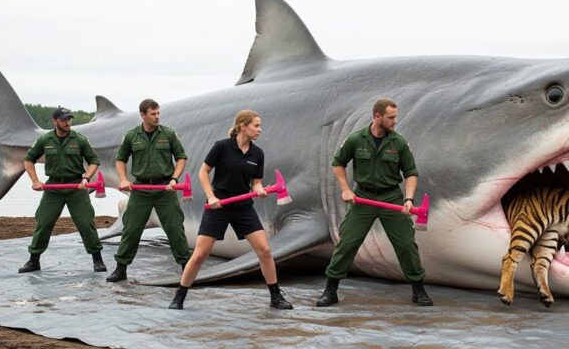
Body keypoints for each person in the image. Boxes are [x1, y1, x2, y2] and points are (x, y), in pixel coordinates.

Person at [168, 110, 292, 310]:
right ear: (243, 126)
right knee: (200, 254)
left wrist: (260, 191)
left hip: (243, 207)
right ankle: (180, 295)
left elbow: (256, 183)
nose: (260, 130)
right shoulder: (222, 147)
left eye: (260, 126)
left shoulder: (257, 153)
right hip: (219, 205)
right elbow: (203, 172)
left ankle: (276, 296)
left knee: (265, 250)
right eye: (256, 125)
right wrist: (211, 196)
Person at [316, 98, 433, 307]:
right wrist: (345, 189)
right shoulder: (356, 139)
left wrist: (408, 198)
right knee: (347, 242)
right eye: (391, 117)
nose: (395, 121)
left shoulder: (398, 142)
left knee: (406, 244)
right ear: (377, 116)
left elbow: (411, 172)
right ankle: (330, 290)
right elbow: (338, 163)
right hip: (364, 198)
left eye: (396, 117)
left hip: (391, 197)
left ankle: (418, 290)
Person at [107, 99, 191, 282]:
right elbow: (120, 159)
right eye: (153, 114)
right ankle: (121, 268)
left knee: (175, 227)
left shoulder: (168, 134)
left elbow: (181, 157)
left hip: (164, 189)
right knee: (131, 229)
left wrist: (174, 179)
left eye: (158, 113)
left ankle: (186, 267)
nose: (157, 117)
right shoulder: (131, 136)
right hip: (141, 189)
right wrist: (123, 179)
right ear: (143, 115)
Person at [18, 106, 106, 273]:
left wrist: (86, 178)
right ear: (55, 121)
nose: (68, 122)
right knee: (43, 223)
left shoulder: (79, 139)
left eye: (69, 119)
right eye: (64, 119)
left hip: (76, 187)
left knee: (86, 223)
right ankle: (34, 261)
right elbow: (29, 159)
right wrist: (35, 181)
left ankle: (97, 260)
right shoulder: (45, 140)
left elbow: (94, 161)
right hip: (53, 188)